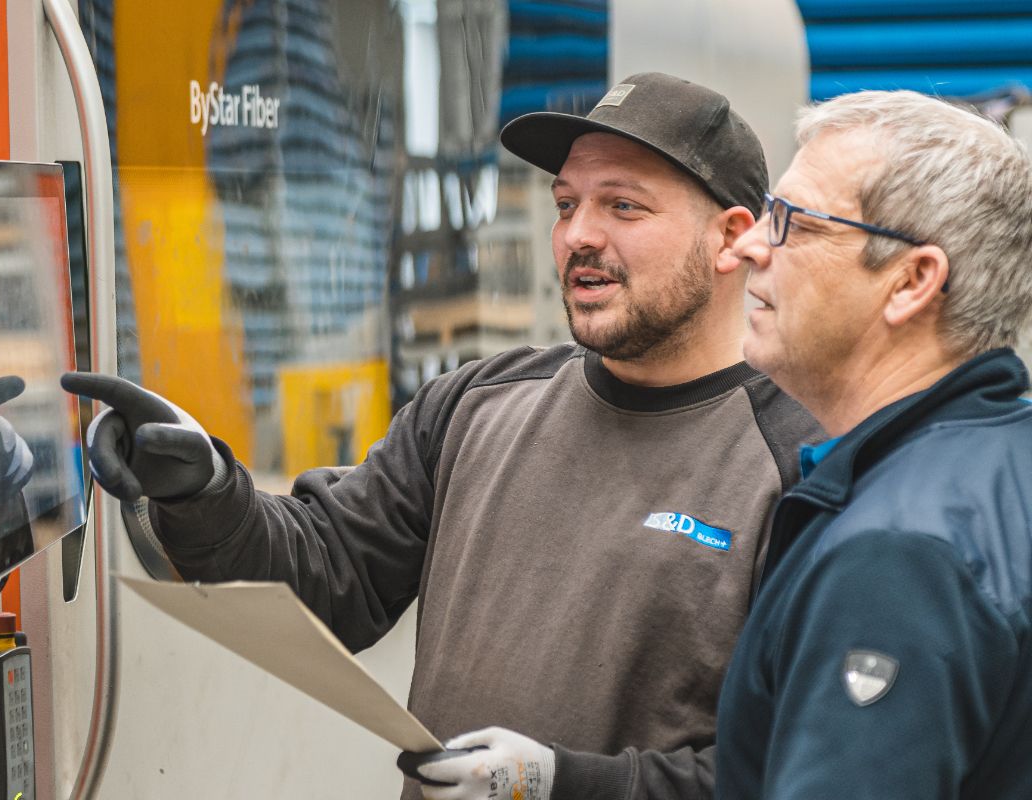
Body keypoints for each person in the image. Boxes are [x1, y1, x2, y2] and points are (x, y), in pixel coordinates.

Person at [63, 72, 820, 800]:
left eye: (623, 206)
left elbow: (799, 767)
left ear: (731, 237)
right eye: (566, 204)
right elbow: (326, 571)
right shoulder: (475, 406)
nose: (578, 236)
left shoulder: (802, 463)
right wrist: (204, 490)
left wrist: (559, 785)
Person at [717, 89, 1032, 799]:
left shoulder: (899, 555)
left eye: (794, 222)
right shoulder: (1003, 464)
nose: (749, 245)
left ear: (912, 281)